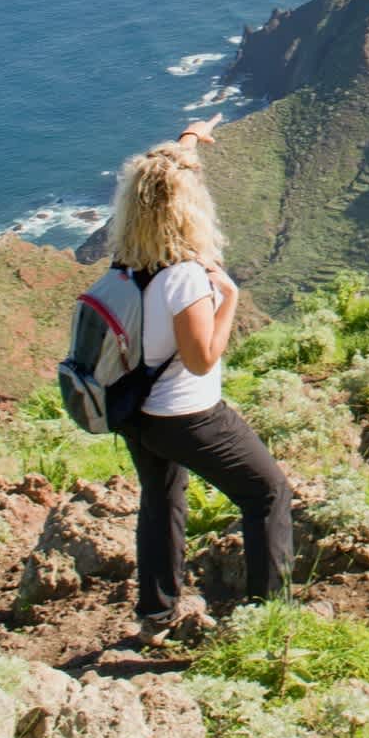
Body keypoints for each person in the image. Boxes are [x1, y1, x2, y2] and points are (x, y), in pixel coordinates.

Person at [105, 116, 292, 646]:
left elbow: (163, 175)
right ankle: (266, 619)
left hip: (135, 412)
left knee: (161, 499)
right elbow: (203, 357)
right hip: (187, 415)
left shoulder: (127, 263)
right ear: (186, 211)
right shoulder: (185, 276)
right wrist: (227, 300)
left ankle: (156, 615)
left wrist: (189, 139)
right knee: (267, 493)